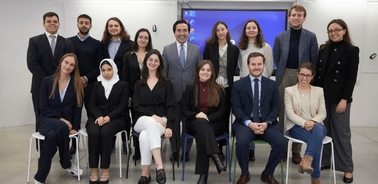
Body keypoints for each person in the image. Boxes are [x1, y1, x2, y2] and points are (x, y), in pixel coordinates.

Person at [313, 19, 359, 184]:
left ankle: (347, 168)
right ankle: (325, 161)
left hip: (340, 99)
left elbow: (351, 78)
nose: (333, 33)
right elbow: (318, 75)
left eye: (337, 30)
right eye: (330, 31)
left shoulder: (352, 50)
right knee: (323, 132)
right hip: (322, 97)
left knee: (342, 134)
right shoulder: (324, 49)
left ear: (344, 31)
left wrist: (344, 99)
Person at [273, 4, 318, 164]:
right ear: (289, 17)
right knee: (283, 113)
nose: (296, 18)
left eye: (299, 15)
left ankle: (296, 151)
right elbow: (276, 59)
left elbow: (314, 59)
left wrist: (306, 76)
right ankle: (283, 148)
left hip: (303, 77)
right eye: (293, 15)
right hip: (285, 75)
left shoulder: (311, 37)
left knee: (300, 113)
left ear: (304, 18)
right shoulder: (280, 37)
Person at [232, 52, 286, 184]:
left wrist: (266, 123)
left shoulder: (272, 85)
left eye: (259, 64)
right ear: (248, 66)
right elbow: (236, 109)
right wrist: (250, 123)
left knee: (281, 143)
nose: (256, 67)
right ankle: (245, 173)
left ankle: (267, 173)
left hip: (268, 124)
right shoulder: (238, 85)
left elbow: (276, 108)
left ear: (264, 65)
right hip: (245, 123)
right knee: (242, 143)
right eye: (253, 64)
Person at [34, 53, 84, 184]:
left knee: (51, 137)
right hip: (46, 120)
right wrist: (62, 120)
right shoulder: (47, 81)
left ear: (74, 68)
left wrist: (75, 127)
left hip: (63, 127)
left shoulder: (76, 84)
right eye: (66, 62)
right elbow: (43, 107)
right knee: (60, 127)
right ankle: (66, 162)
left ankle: (39, 177)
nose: (68, 66)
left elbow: (77, 108)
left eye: (72, 65)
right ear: (61, 62)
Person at [27, 12, 75, 144]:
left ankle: (64, 147)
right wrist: (50, 81)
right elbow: (32, 64)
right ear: (44, 24)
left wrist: (58, 81)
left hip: (63, 86)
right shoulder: (34, 41)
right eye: (49, 21)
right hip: (40, 86)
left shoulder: (67, 43)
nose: (52, 23)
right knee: (41, 116)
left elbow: (71, 63)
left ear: (59, 24)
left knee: (64, 116)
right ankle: (42, 147)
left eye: (55, 21)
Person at [133, 49, 176, 184]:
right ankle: (159, 166)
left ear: (160, 64)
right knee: (150, 122)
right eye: (150, 60)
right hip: (141, 120)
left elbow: (171, 106)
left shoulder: (166, 83)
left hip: (162, 122)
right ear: (146, 62)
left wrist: (170, 126)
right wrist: (154, 116)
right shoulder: (139, 83)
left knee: (144, 136)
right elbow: (136, 106)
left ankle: (145, 174)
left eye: (156, 60)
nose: (153, 62)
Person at [162, 20, 202, 162]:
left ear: (188, 32)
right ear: (174, 33)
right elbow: (164, 72)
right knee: (173, 124)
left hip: (191, 96)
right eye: (179, 30)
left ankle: (185, 151)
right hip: (173, 94)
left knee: (188, 125)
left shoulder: (196, 50)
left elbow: (199, 73)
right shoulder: (167, 49)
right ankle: (174, 151)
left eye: (185, 30)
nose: (182, 33)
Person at [182, 60, 227, 184]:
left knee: (203, 133)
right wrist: (197, 114)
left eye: (208, 70)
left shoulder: (219, 89)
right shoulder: (190, 88)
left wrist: (208, 118)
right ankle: (216, 156)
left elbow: (222, 111)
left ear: (212, 72)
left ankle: (203, 176)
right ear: (198, 72)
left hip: (214, 123)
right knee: (201, 126)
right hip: (194, 122)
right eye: (203, 69)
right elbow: (185, 111)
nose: (205, 72)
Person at [86, 59, 129, 184]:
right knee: (93, 133)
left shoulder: (122, 85)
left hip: (116, 118)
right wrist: (99, 116)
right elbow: (92, 104)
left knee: (106, 132)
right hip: (97, 118)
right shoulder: (97, 84)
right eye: (103, 70)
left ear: (114, 69)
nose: (106, 73)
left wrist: (109, 117)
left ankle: (105, 169)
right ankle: (94, 169)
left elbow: (122, 106)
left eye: (109, 70)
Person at [284, 62, 327, 184]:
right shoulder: (289, 91)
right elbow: (290, 113)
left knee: (318, 130)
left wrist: (313, 121)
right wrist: (305, 123)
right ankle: (315, 178)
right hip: (296, 127)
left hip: (316, 126)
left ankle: (307, 159)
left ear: (312, 77)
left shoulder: (319, 91)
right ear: (297, 75)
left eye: (308, 75)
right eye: (302, 74)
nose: (304, 78)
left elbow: (323, 113)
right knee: (316, 140)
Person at [238, 19, 274, 161]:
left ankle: (253, 145)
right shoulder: (241, 47)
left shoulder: (266, 47)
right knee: (247, 114)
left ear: (258, 30)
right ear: (245, 31)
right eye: (248, 28)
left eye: (254, 27)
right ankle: (248, 147)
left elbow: (269, 67)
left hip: (261, 85)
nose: (251, 30)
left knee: (258, 114)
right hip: (245, 85)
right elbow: (241, 65)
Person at [203, 21, 239, 161]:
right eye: (218, 30)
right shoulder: (209, 47)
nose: (220, 32)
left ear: (227, 30)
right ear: (215, 32)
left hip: (228, 88)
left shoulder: (234, 49)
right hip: (212, 87)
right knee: (212, 116)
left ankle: (221, 149)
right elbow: (205, 67)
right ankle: (212, 147)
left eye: (222, 29)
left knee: (224, 118)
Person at [68, 14, 102, 155]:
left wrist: (86, 78)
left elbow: (100, 66)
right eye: (81, 23)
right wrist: (77, 79)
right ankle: (73, 145)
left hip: (91, 86)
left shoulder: (97, 44)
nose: (84, 25)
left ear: (91, 26)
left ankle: (94, 143)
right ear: (77, 24)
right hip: (72, 85)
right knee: (73, 115)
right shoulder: (68, 42)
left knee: (92, 115)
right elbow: (66, 63)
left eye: (86, 23)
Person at [101, 17, 133, 151]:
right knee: (110, 110)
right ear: (107, 28)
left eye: (116, 25)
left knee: (124, 112)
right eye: (110, 26)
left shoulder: (130, 44)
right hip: (107, 83)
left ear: (121, 27)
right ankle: (111, 141)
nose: (113, 28)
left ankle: (126, 143)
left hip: (123, 83)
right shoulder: (102, 44)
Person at [122, 28, 153, 160]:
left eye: (146, 38)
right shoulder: (128, 55)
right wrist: (127, 96)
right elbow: (125, 77)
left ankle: (150, 149)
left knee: (149, 121)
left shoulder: (152, 55)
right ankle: (138, 150)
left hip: (149, 93)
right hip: (133, 94)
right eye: (141, 37)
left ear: (149, 40)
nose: (143, 40)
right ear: (136, 38)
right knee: (136, 122)